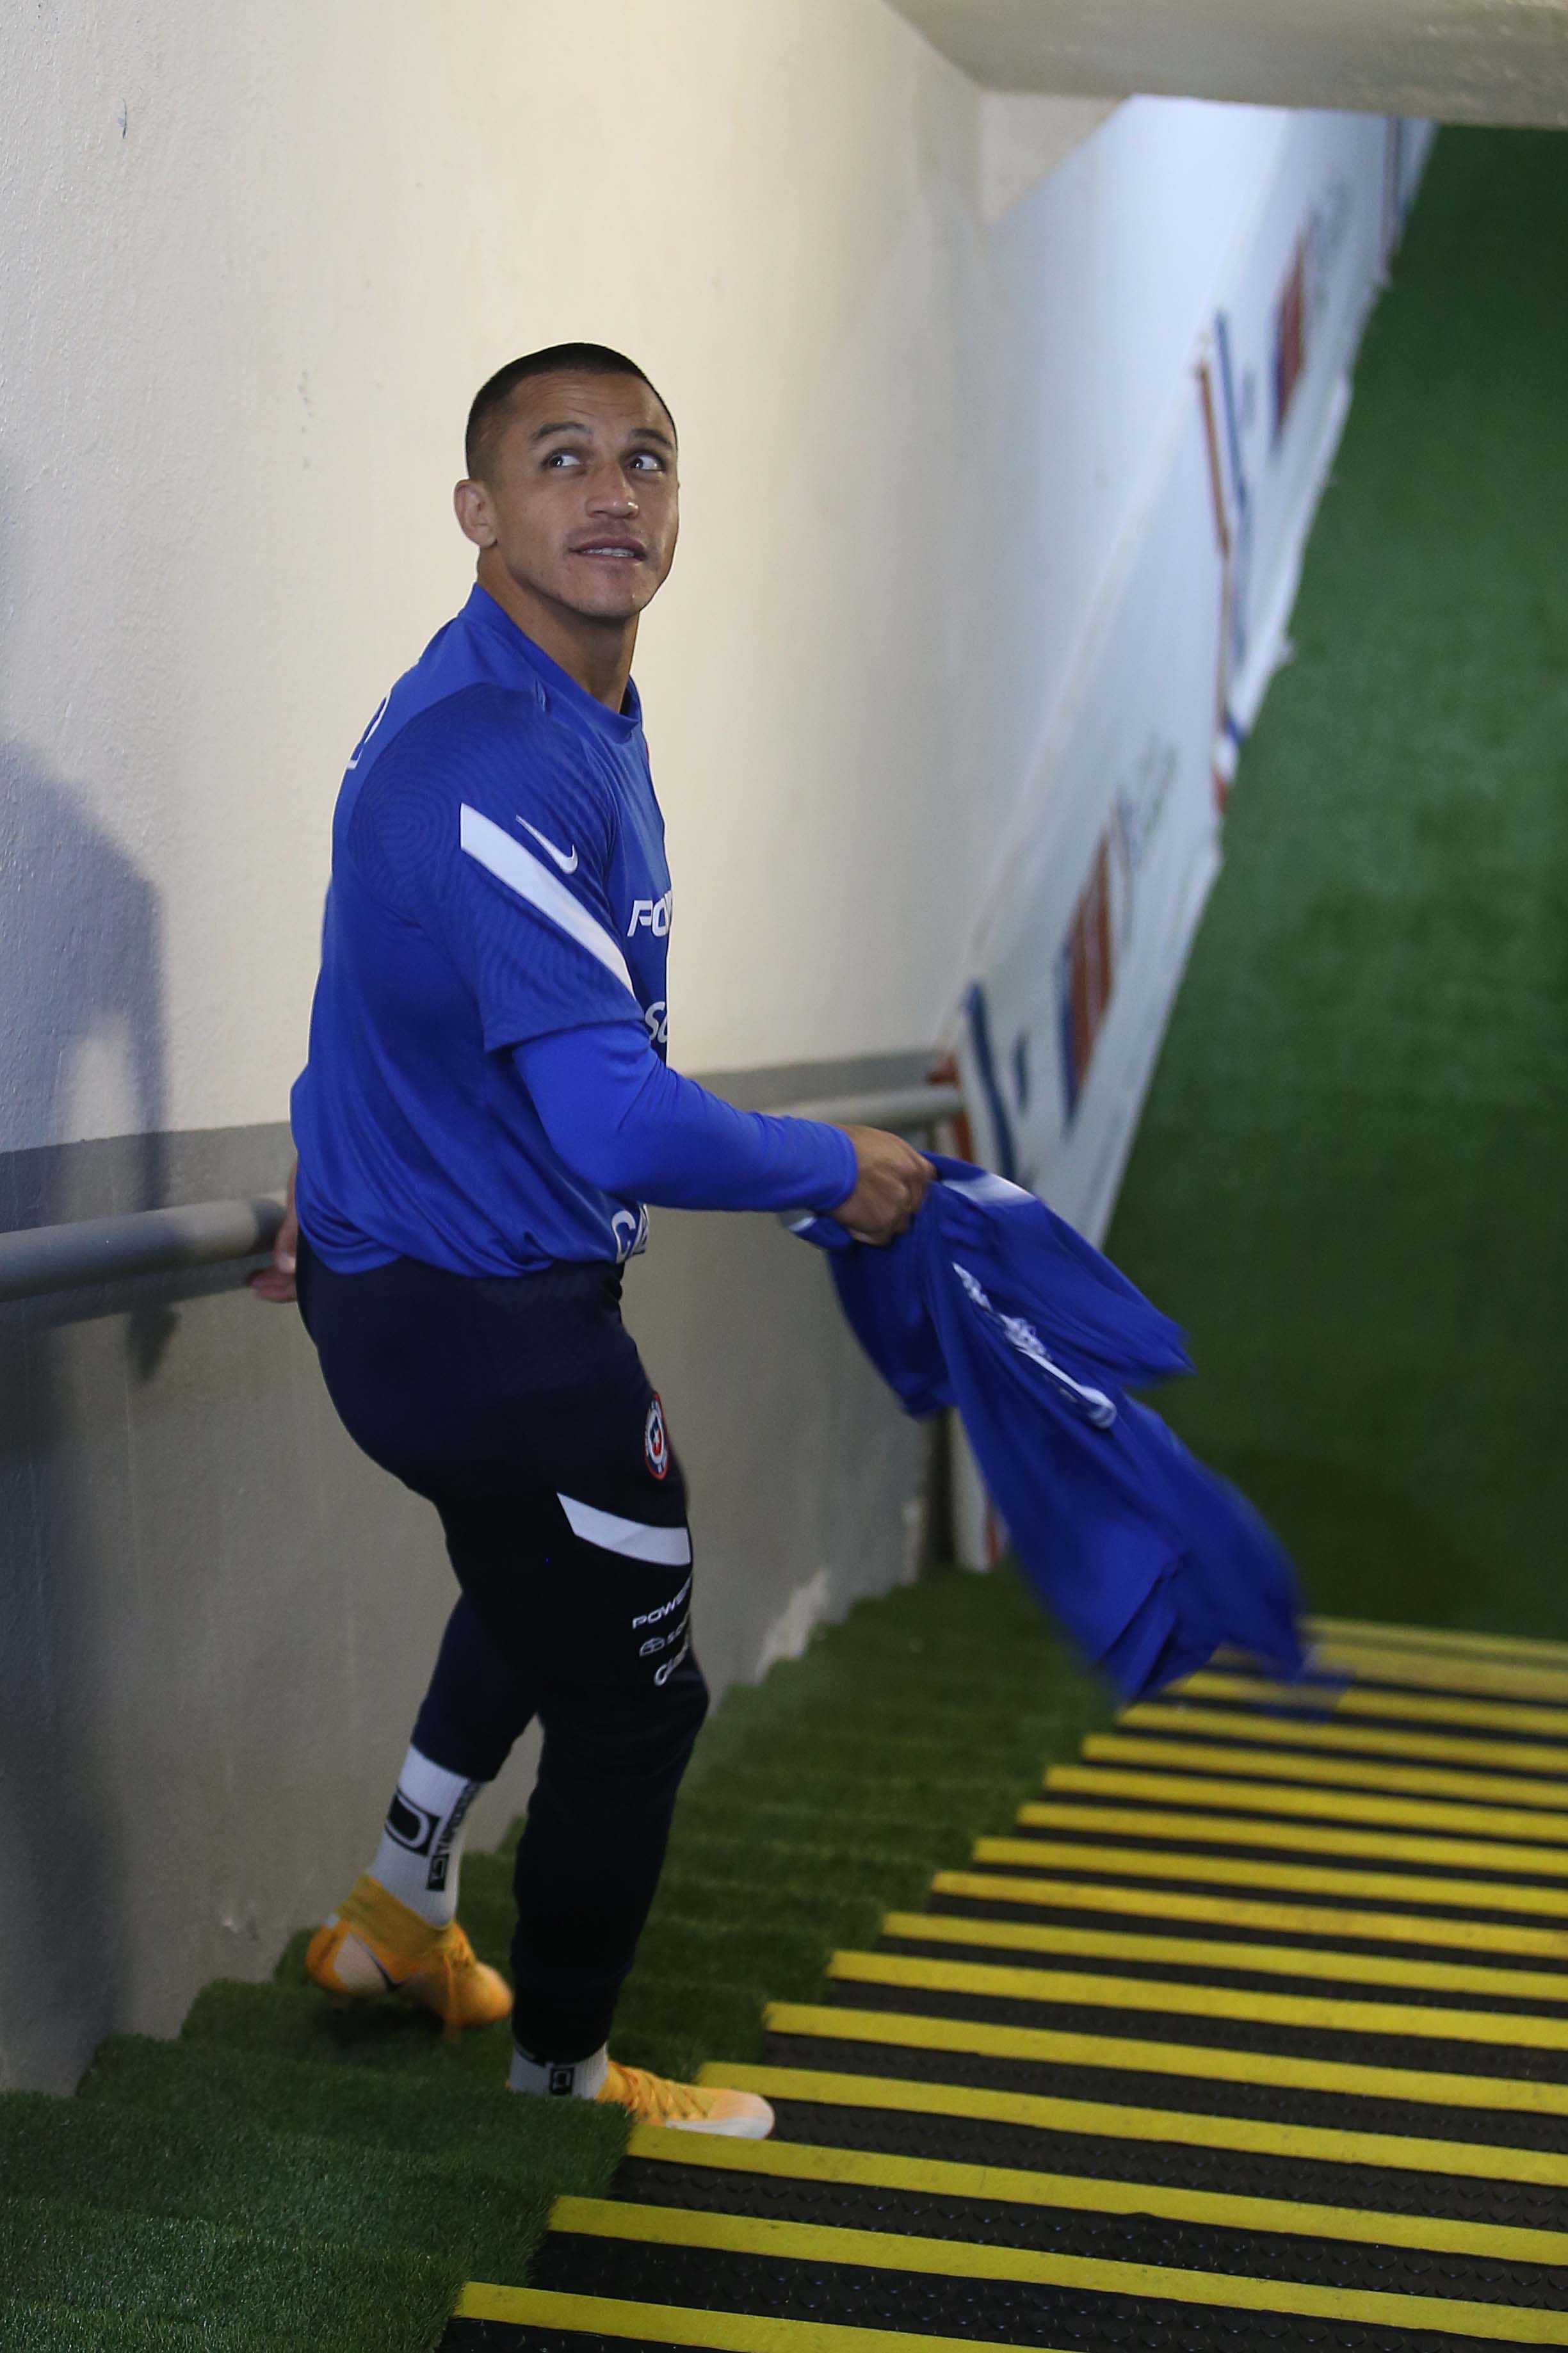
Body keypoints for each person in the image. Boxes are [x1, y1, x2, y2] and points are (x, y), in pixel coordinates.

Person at [252, 343, 932, 2136]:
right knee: (638, 1708)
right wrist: (822, 1163)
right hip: (492, 1330)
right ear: (479, 510)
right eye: (561, 460)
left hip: (412, 1287)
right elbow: (611, 1117)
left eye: (646, 458)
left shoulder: (536, 701)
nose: (612, 492)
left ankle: (401, 1910)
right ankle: (563, 2075)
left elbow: (371, 970)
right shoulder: (493, 752)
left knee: (532, 1567)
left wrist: (332, 1160)